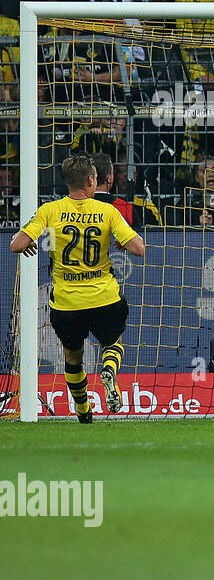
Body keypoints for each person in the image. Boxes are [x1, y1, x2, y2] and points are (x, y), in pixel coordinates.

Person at [9, 155, 145, 422]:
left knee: (73, 357)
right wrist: (123, 241)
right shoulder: (107, 211)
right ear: (92, 180)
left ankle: (83, 412)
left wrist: (24, 241)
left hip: (67, 304)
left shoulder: (50, 210)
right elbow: (138, 248)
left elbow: (16, 244)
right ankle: (108, 369)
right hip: (104, 298)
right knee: (113, 343)